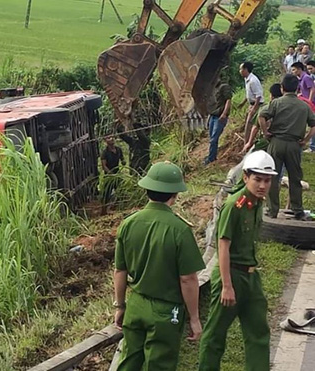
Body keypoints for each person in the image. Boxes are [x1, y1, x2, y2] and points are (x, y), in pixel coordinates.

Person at [113, 161, 204, 370]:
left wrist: (120, 305)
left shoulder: (128, 223)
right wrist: (194, 318)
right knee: (159, 365)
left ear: (146, 190)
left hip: (135, 304)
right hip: (166, 311)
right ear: (175, 194)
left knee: (129, 361)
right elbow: (188, 279)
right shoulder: (180, 230)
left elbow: (120, 271)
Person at [198, 151, 277, 371]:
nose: (262, 185)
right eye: (257, 179)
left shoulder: (257, 203)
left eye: (267, 180)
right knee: (215, 333)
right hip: (230, 275)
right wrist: (226, 286)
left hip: (251, 276)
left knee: (259, 332)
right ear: (245, 177)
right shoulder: (235, 205)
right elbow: (223, 247)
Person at [258, 74, 315, 220]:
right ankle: (298, 210)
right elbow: (313, 125)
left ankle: (272, 210)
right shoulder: (304, 106)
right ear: (297, 88)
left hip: (276, 142)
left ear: (282, 88)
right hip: (295, 144)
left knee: (272, 177)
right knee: (295, 178)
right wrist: (306, 139)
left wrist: (266, 132)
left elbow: (261, 115)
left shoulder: (276, 103)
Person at [242, 83, 282, 154]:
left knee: (252, 155)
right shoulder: (286, 109)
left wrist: (249, 142)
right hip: (282, 141)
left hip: (266, 141)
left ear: (271, 96)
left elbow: (255, 127)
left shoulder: (265, 108)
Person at [205, 83, 233, 164]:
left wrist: (224, 113)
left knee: (214, 139)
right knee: (211, 139)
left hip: (219, 116)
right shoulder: (212, 88)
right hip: (213, 116)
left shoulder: (224, 87)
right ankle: (211, 156)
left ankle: (211, 159)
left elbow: (228, 100)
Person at [237, 62, 264, 144]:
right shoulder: (247, 79)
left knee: (249, 125)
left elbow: (258, 96)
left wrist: (254, 109)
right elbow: (249, 94)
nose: (240, 71)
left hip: (257, 105)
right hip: (252, 104)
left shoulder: (253, 81)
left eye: (241, 69)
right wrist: (243, 103)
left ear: (245, 70)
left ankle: (247, 144)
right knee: (248, 124)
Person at [101, 135, 125, 208]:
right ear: (105, 141)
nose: (111, 139)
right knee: (107, 193)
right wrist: (110, 174)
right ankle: (104, 208)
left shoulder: (118, 150)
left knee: (120, 190)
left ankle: (118, 206)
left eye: (112, 137)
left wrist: (124, 162)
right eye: (108, 138)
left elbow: (122, 159)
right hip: (109, 175)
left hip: (117, 173)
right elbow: (104, 166)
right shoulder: (105, 152)